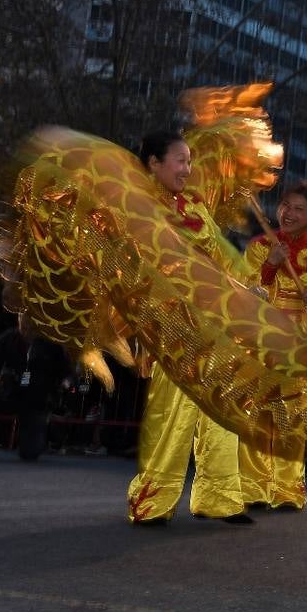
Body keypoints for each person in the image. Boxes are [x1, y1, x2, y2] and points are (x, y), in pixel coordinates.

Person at [125, 130, 251, 526]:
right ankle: (153, 501)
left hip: (212, 321)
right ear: (153, 164)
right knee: (172, 411)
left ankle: (221, 497)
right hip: (171, 322)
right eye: (180, 160)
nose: (188, 169)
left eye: (190, 161)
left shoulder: (195, 205)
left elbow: (222, 257)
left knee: (221, 405)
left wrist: (246, 288)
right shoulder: (138, 206)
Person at [239, 181, 307, 511]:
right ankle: (254, 485)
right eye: (285, 205)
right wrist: (270, 265)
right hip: (263, 337)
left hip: (302, 340)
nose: (289, 213)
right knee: (257, 411)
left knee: (291, 413)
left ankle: (287, 487)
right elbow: (243, 290)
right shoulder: (260, 246)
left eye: (298, 208)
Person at [0, 315, 71, 460]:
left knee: (30, 453)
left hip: (35, 399)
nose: (27, 330)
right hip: (9, 393)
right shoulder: (6, 339)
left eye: (31, 326)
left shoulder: (51, 344)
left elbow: (67, 372)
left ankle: (35, 438)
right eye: (24, 325)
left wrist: (65, 382)